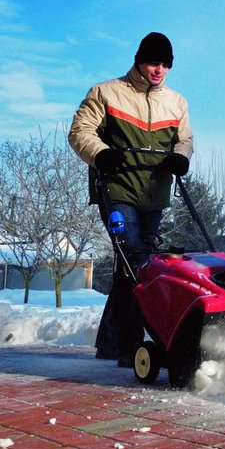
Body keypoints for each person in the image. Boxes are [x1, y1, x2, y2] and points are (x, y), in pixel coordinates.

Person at [68, 31, 194, 367]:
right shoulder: (106, 92)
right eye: (154, 62)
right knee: (133, 259)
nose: (159, 69)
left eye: (165, 64)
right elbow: (80, 131)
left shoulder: (177, 102)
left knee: (138, 266)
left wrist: (181, 157)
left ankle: (112, 342)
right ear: (139, 60)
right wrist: (101, 154)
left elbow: (185, 140)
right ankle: (130, 345)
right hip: (117, 188)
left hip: (154, 193)